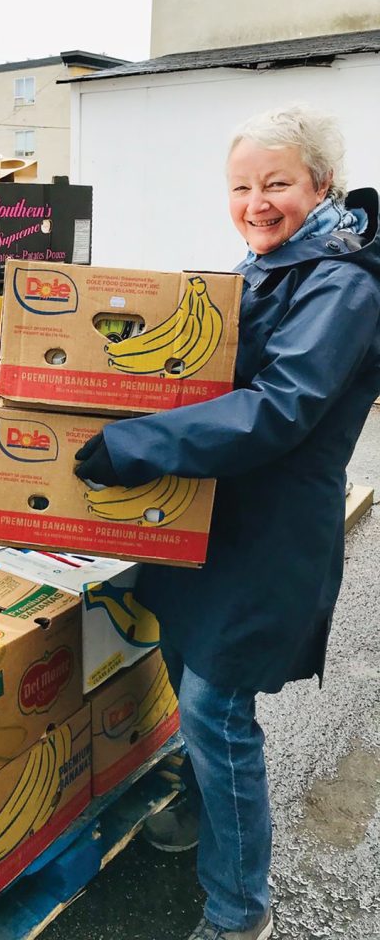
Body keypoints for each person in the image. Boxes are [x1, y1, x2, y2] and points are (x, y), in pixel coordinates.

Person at [74, 104, 380, 940]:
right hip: (206, 517)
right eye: (241, 186)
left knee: (215, 708)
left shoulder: (343, 284)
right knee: (180, 662)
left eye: (276, 183)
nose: (256, 201)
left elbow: (280, 408)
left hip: (270, 531)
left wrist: (138, 442)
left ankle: (241, 909)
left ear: (320, 184)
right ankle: (211, 820)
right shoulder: (265, 265)